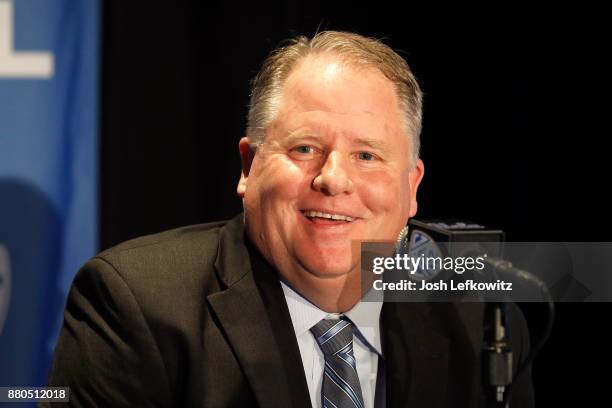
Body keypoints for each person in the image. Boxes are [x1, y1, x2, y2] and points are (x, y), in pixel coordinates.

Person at [46, 31, 534, 407]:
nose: (333, 178)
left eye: (367, 155)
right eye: (305, 148)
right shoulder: (138, 305)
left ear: (411, 188)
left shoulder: (478, 314)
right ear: (247, 167)